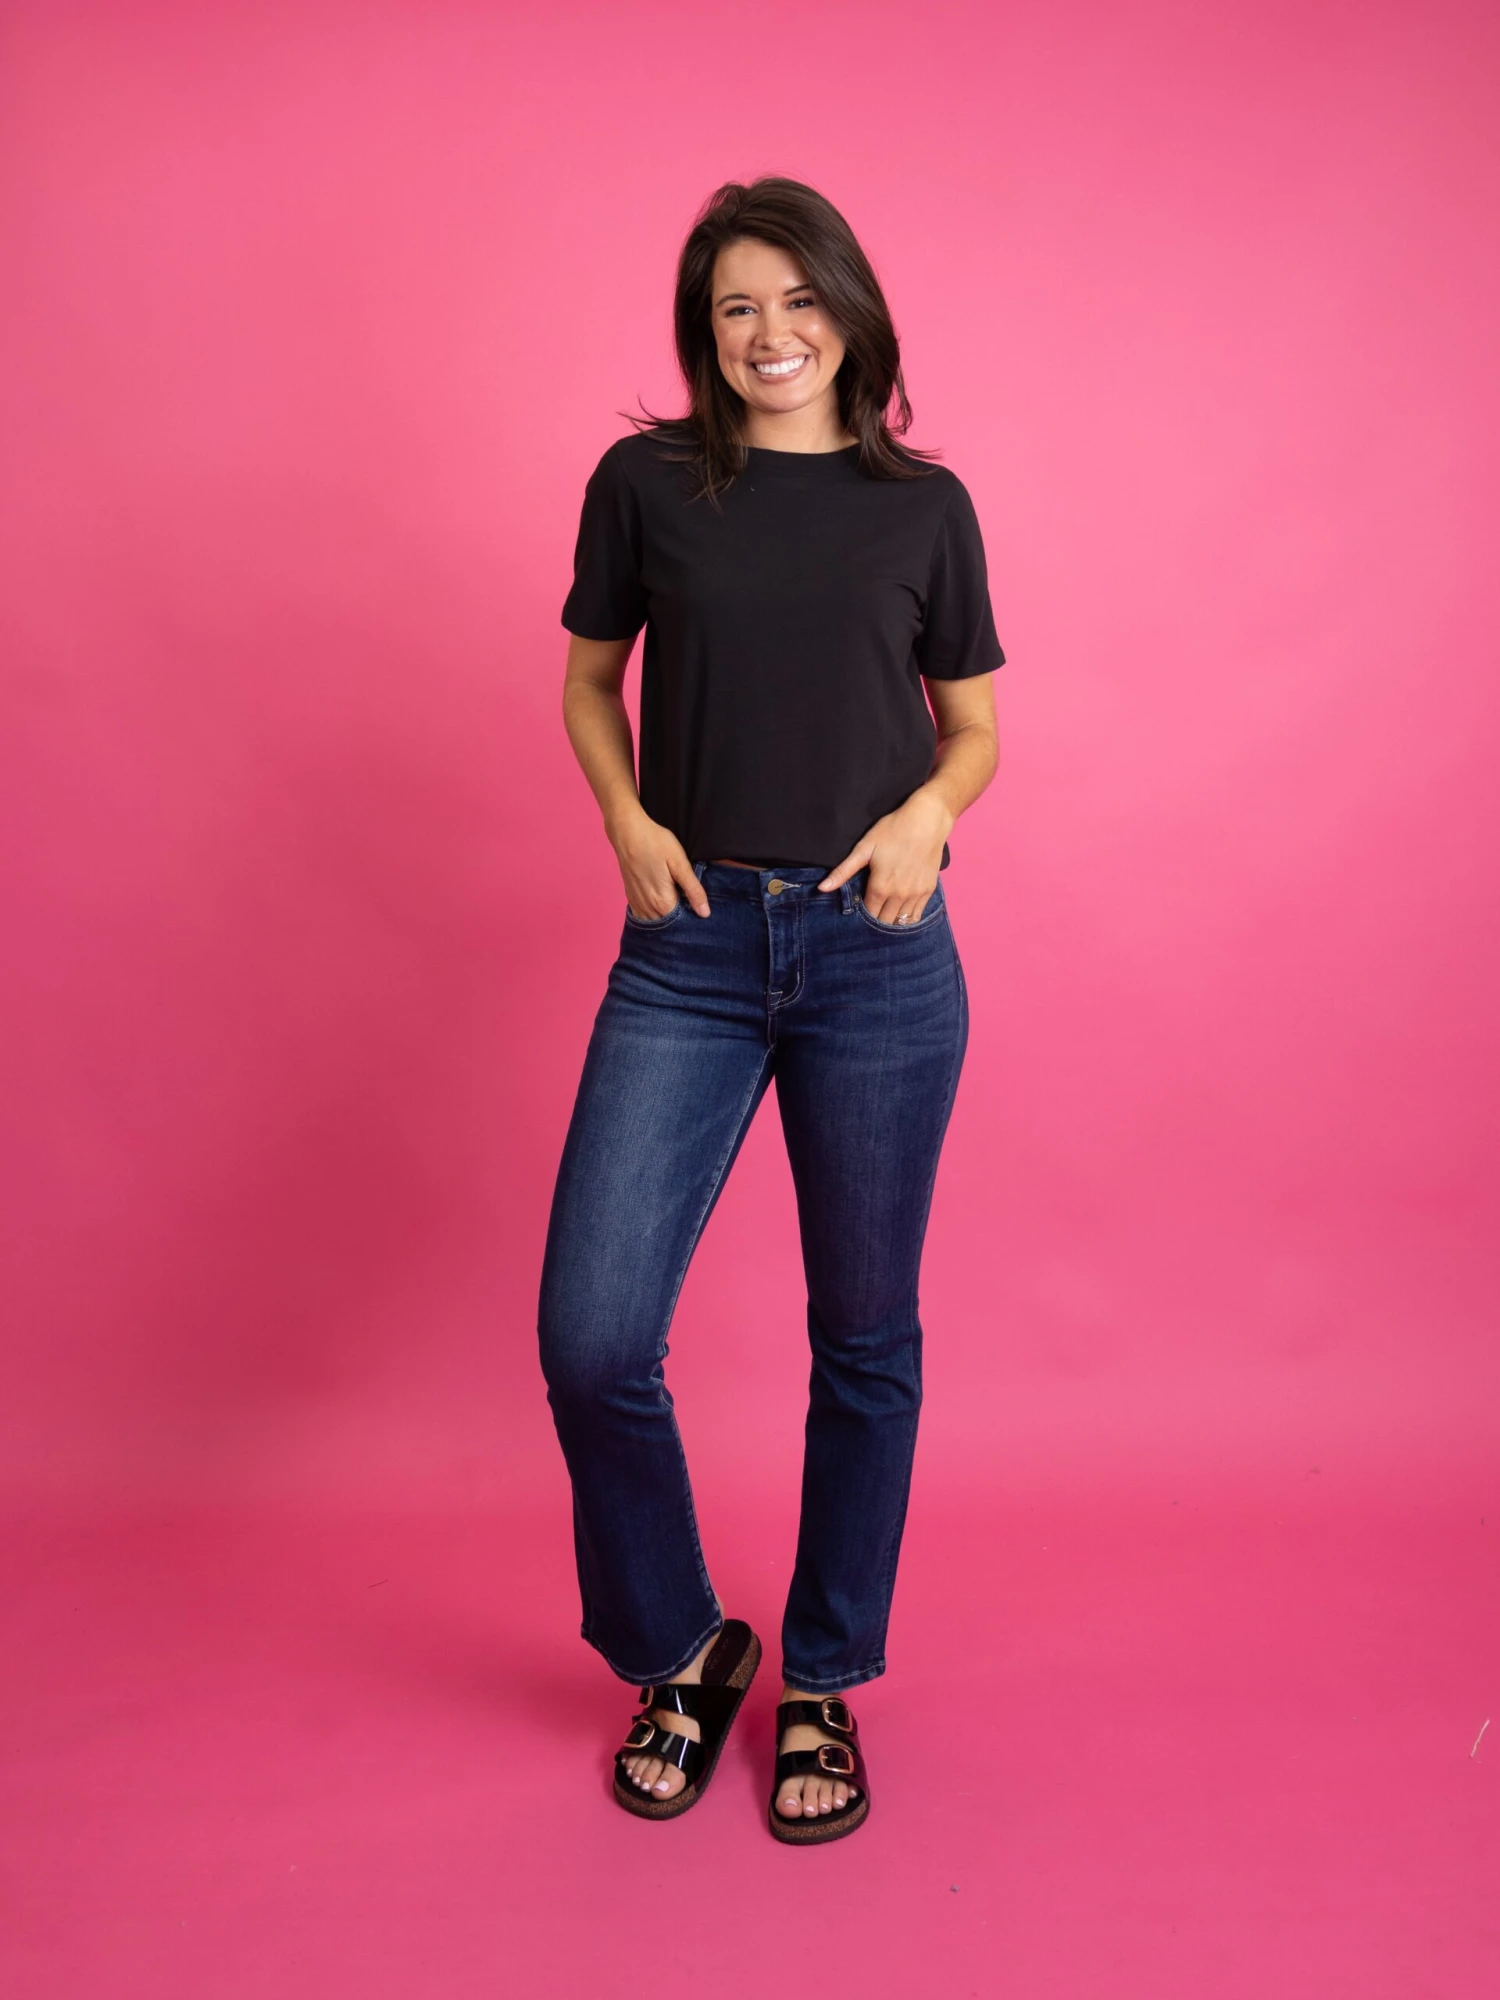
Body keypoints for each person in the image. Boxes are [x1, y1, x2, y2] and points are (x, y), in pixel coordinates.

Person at [537, 175, 1004, 1844]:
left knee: (865, 1339)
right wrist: (626, 820)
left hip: (879, 951)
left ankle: (822, 1676)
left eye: (798, 300)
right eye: (736, 306)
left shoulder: (923, 508)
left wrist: (932, 813)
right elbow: (589, 683)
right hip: (689, 951)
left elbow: (974, 729)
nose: (771, 333)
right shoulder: (647, 485)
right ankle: (684, 1649)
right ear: (704, 331)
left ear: (851, 315)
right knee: (594, 1340)